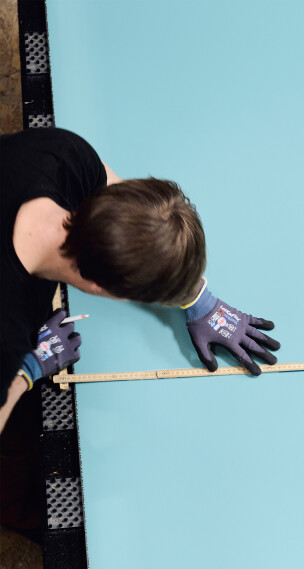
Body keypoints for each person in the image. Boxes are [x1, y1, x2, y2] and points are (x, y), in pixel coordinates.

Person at [0, 127, 281, 437]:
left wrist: (196, 297)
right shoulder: (8, 333)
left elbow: (126, 206)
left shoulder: (67, 157)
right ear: (101, 288)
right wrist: (24, 371)